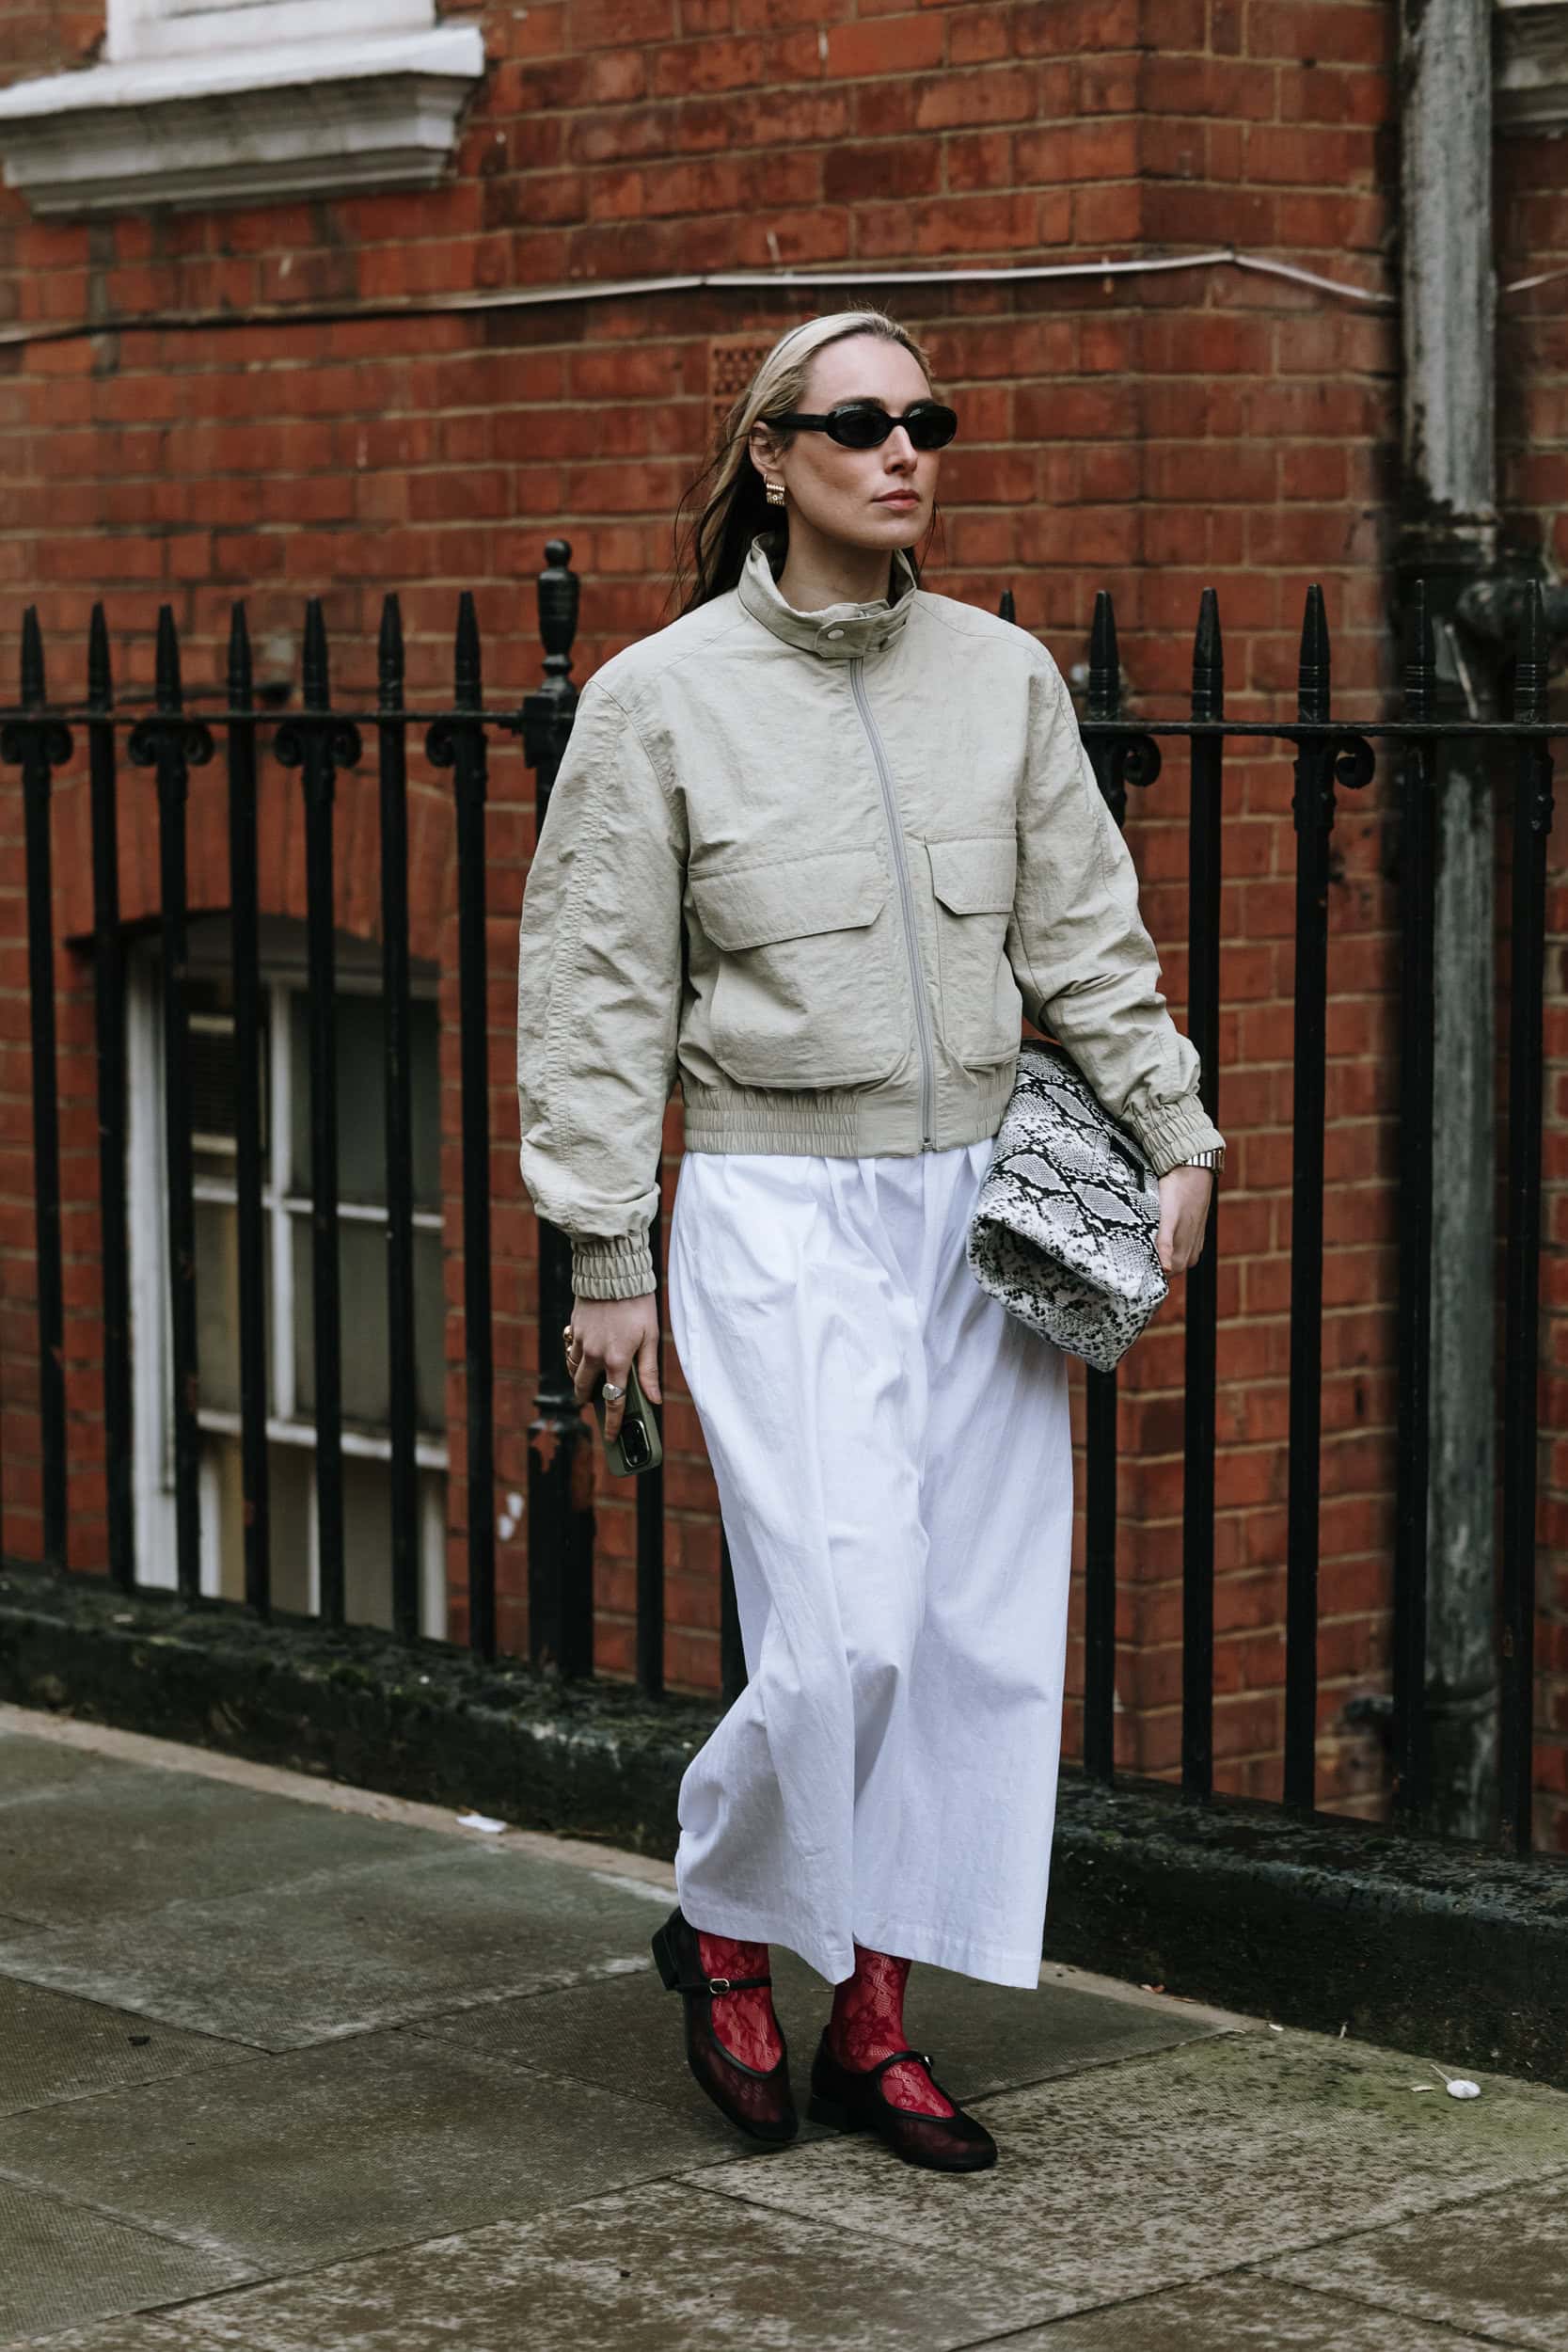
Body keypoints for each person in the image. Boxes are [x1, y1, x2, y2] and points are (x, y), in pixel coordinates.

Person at [515, 307, 1222, 2174]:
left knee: (975, 1639)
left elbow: (1086, 933)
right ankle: (726, 1914)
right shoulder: (658, 699)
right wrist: (606, 1258)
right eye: (859, 422)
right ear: (772, 456)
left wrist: (1172, 1122)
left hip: (981, 1214)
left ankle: (877, 2019)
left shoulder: (1002, 677)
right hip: (774, 1198)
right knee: (843, 1630)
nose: (903, 449)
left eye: (928, 420)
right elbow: (596, 995)